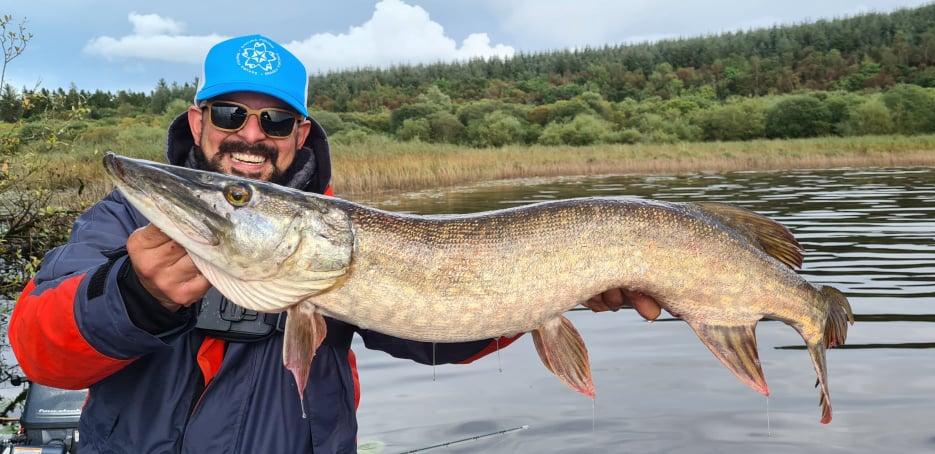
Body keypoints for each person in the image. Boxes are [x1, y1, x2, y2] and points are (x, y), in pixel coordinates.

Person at [7, 34, 661, 453]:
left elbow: (429, 335)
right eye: (231, 114)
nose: (251, 134)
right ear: (198, 120)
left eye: (276, 119)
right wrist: (133, 298)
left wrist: (544, 289)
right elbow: (39, 352)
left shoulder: (333, 232)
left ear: (300, 133)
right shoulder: (125, 222)